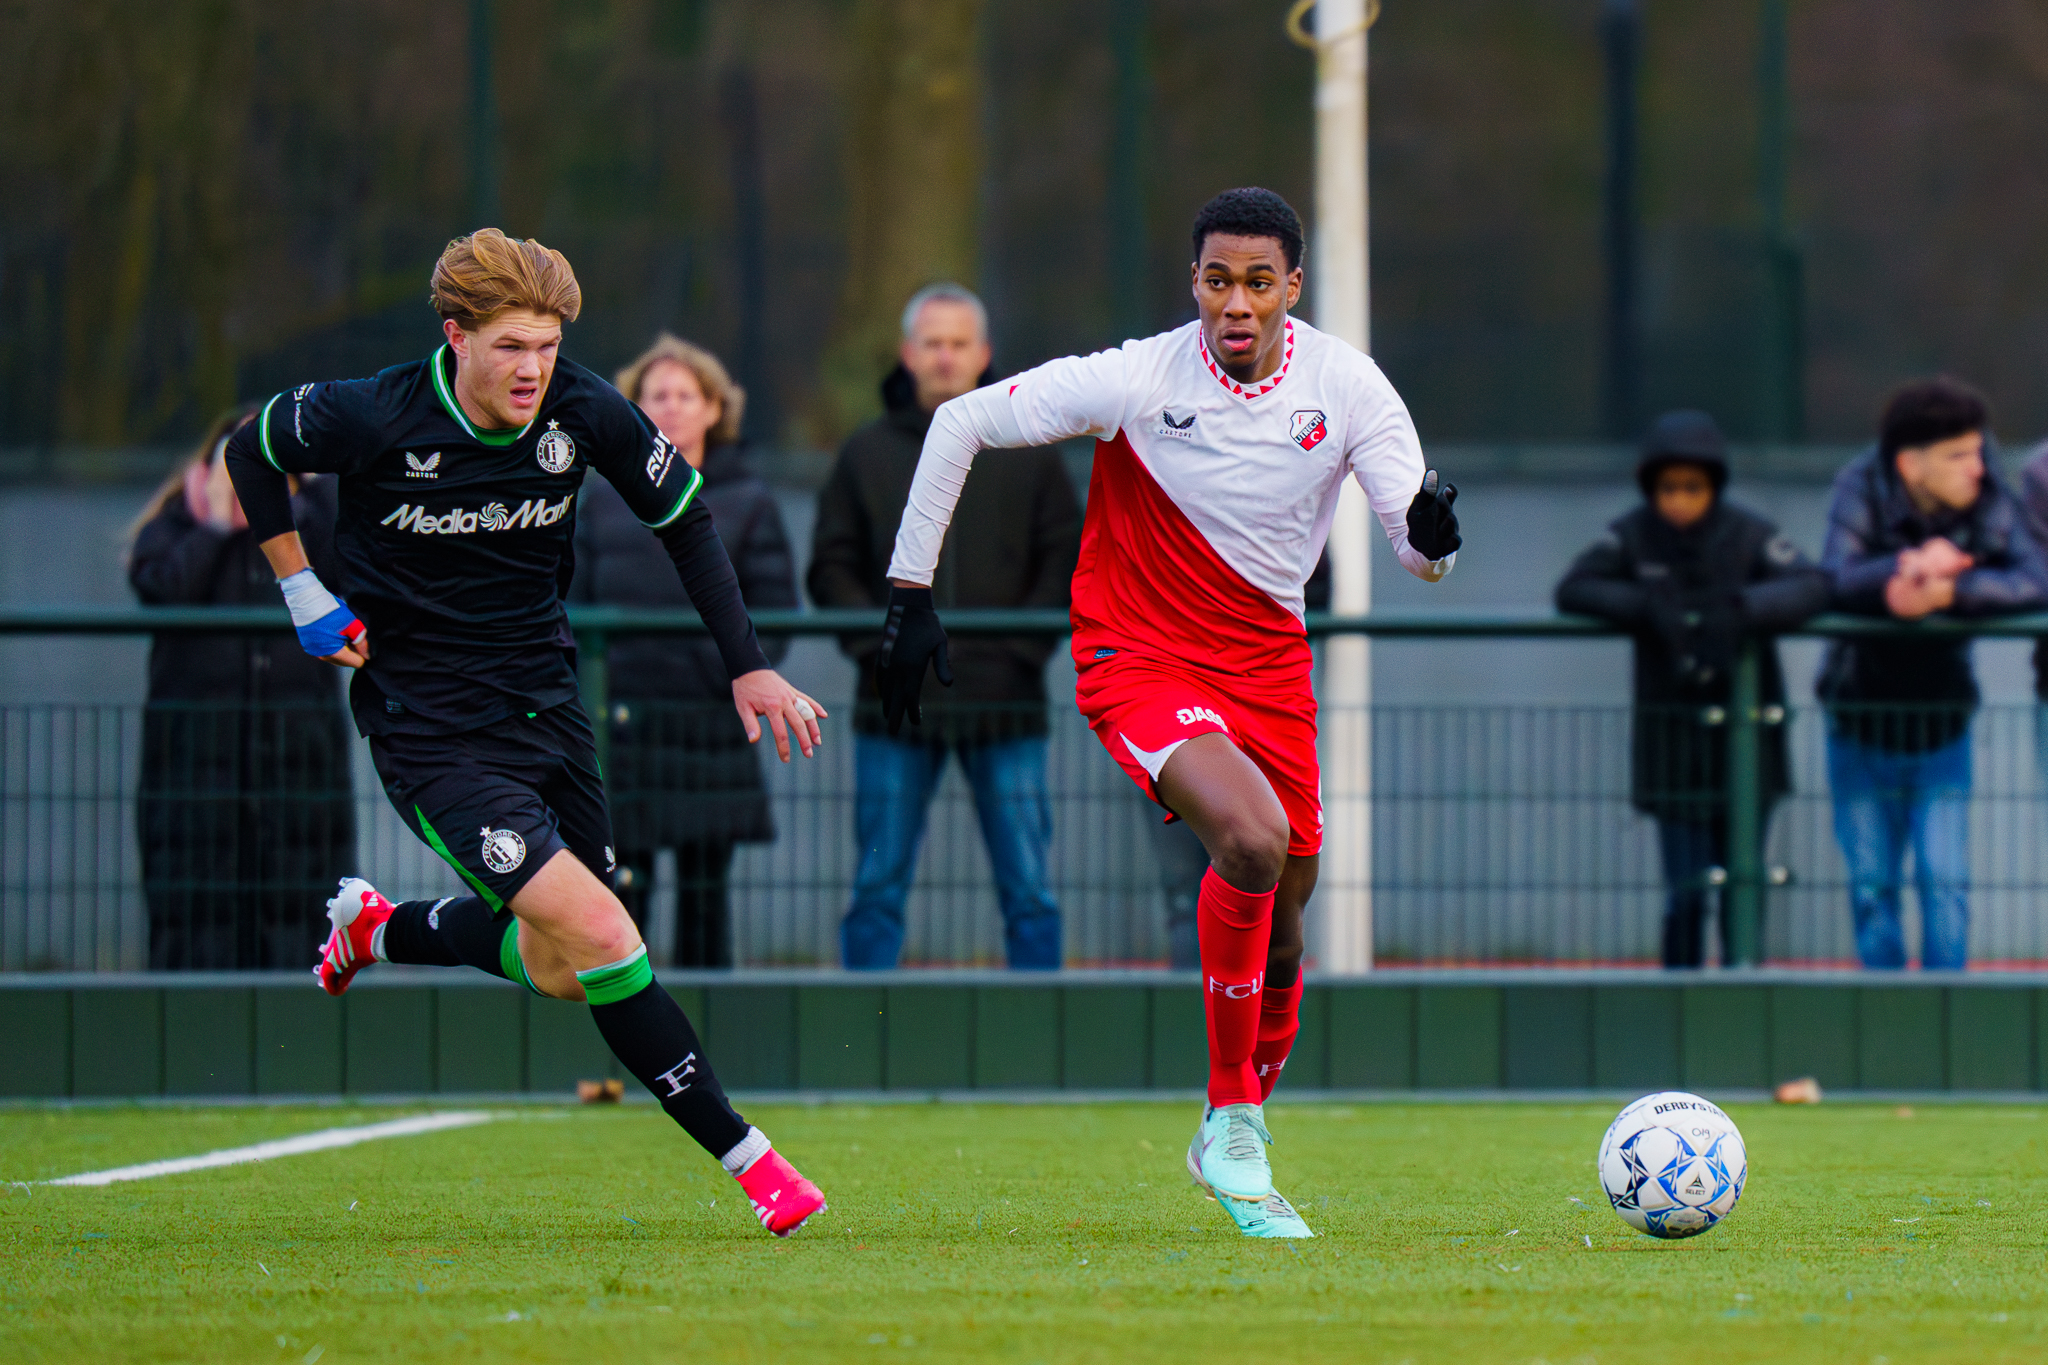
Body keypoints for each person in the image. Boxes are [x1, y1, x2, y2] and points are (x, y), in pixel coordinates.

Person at [874, 188, 1461, 1237]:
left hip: (1268, 666)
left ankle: (1228, 1130)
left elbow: (1417, 558)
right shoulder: (1136, 376)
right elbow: (960, 420)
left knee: (1283, 925)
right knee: (1245, 835)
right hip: (1133, 653)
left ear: (1290, 288)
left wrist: (1432, 533)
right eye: (1216, 279)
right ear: (1193, 283)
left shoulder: (1348, 387)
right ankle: (1234, 1118)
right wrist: (909, 592)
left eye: (1257, 281)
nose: (1236, 302)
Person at [223, 229, 828, 1234]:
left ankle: (379, 927)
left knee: (562, 966)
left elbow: (682, 516)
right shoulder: (373, 411)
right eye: (511, 346)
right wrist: (301, 591)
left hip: (546, 710)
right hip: (427, 728)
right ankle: (753, 1163)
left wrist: (748, 663)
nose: (533, 369)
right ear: (455, 336)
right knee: (604, 935)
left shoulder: (583, 407)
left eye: (546, 345)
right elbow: (250, 449)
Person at [808, 283, 1081, 969]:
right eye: (932, 342)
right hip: (894, 709)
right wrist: (884, 649)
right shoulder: (863, 454)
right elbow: (831, 566)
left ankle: (1041, 1050)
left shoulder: (1033, 450)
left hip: (1007, 706)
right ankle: (863, 1051)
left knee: (1030, 890)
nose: (946, 357)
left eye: (959, 343)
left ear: (984, 353)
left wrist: (1019, 654)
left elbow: (1067, 562)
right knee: (876, 887)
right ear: (907, 353)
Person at [1555, 410, 1829, 968]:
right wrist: (1648, 609)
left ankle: (1744, 995)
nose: (1679, 499)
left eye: (1693, 488)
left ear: (1714, 487)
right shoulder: (1633, 536)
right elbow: (1575, 587)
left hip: (1749, 747)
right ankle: (1677, 998)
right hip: (1671, 749)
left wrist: (1743, 610)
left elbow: (1812, 583)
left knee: (1741, 889)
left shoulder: (1749, 533)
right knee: (1685, 895)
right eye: (1668, 488)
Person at [572, 335, 797, 967]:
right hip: (621, 729)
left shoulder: (750, 502)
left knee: (705, 894)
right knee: (621, 900)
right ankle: (631, 1047)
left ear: (713, 408)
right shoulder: (598, 497)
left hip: (709, 728)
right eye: (655, 396)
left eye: (684, 395)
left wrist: (719, 670)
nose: (670, 407)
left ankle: (707, 1042)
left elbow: (775, 614)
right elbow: (570, 607)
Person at [1819, 377, 2048, 970]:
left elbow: (2034, 579)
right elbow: (1837, 575)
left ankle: (1952, 1020)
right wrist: (1905, 572)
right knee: (1872, 888)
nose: (1977, 467)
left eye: (1977, 450)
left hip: (1942, 721)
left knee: (1945, 882)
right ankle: (1884, 1024)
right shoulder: (1860, 485)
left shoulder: (1990, 490)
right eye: (1958, 456)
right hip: (1858, 718)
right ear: (1911, 466)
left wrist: (1950, 589)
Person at [128, 405, 356, 969]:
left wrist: (288, 507)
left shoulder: (314, 518)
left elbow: (350, 567)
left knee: (300, 906)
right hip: (195, 760)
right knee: (198, 911)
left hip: (299, 758)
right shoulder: (178, 523)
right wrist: (221, 521)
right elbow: (164, 588)